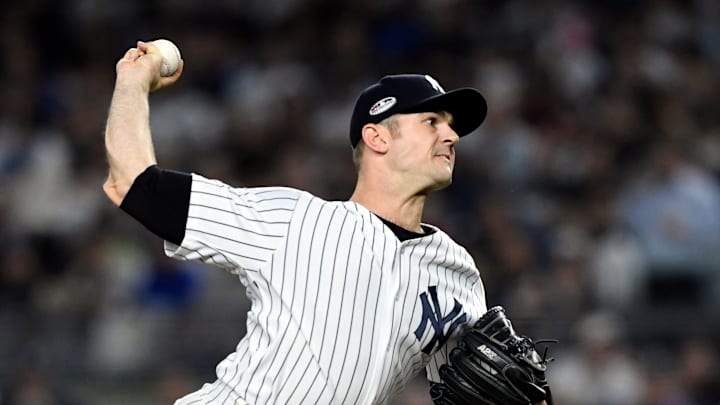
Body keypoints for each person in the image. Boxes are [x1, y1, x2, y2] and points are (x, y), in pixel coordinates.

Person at [103, 41, 548, 405]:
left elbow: (489, 383)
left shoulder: (457, 272)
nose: (450, 135)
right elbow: (135, 184)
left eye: (451, 126)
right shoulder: (296, 220)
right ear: (376, 137)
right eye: (431, 121)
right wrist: (131, 84)